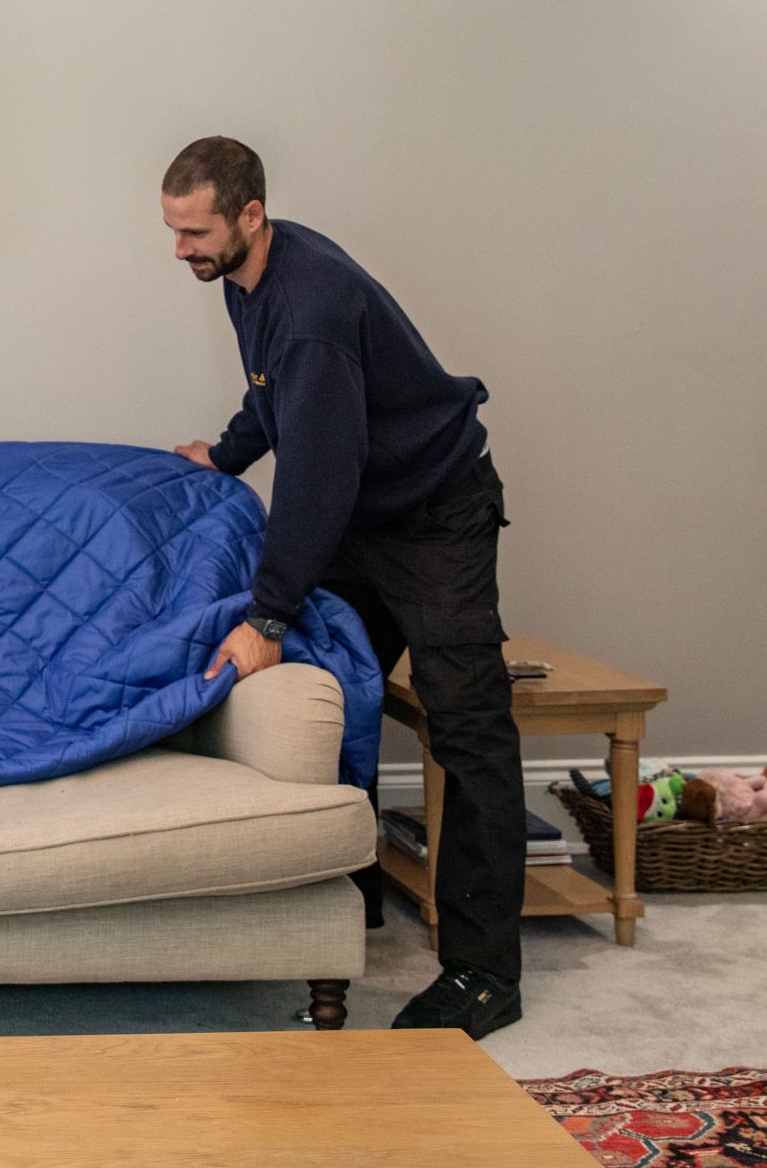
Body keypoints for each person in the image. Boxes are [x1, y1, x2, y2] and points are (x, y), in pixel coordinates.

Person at [163, 136, 525, 1040]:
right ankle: (349, 893)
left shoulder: (312, 306)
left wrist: (268, 615)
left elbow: (318, 473)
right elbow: (275, 395)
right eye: (173, 230)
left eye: (195, 232)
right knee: (330, 690)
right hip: (364, 510)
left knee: (467, 722)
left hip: (434, 513)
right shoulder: (248, 275)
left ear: (250, 215)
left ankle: (486, 971)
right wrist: (228, 454)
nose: (180, 250)